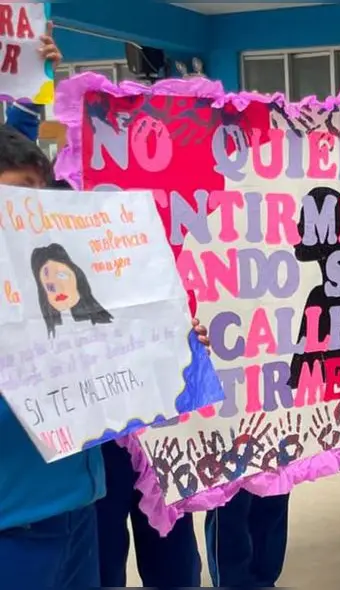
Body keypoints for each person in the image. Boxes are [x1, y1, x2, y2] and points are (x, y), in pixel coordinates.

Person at [0, 125, 211, 587]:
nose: (32, 212)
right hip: (17, 524)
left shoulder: (59, 275)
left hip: (77, 506)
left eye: (42, 195)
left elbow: (111, 349)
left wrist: (171, 345)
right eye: (17, 198)